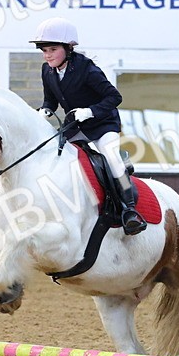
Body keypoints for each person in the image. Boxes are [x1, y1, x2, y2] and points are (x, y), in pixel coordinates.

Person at [32, 17, 146, 236]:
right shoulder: (47, 70)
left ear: (68, 48)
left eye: (53, 49)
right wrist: (45, 110)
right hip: (76, 126)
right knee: (55, 158)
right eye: (44, 50)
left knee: (111, 158)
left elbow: (114, 97)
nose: (48, 55)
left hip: (103, 124)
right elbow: (50, 101)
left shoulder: (87, 69)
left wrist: (90, 111)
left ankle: (129, 211)